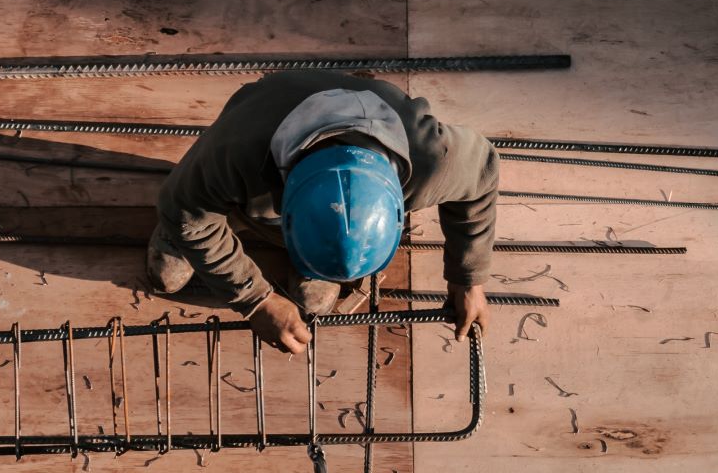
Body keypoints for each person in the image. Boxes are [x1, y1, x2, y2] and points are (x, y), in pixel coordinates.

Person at [146, 72, 498, 354]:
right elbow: (184, 210)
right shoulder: (235, 154)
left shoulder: (434, 164)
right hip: (251, 162)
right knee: (181, 241)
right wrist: (257, 300)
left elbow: (483, 176)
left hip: (291, 189)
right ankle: (183, 236)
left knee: (313, 300)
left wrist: (467, 279)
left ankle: (317, 259)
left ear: (398, 206)